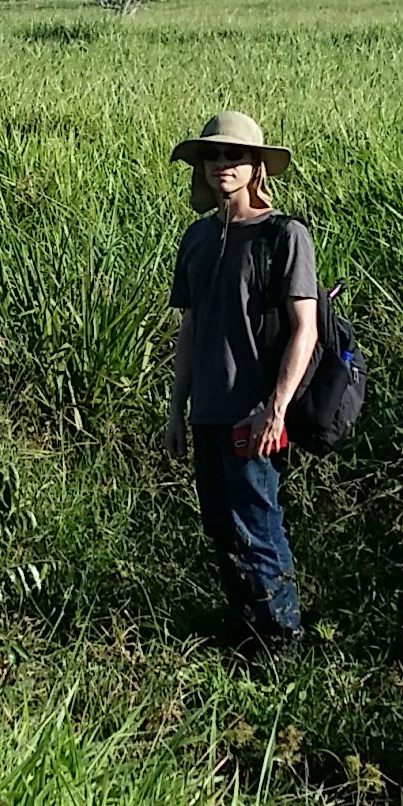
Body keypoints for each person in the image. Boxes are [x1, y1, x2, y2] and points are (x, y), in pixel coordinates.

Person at [163, 110, 319, 655]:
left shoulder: (284, 235)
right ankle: (246, 631)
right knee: (221, 528)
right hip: (206, 409)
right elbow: (189, 328)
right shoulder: (197, 238)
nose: (222, 165)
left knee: (258, 524)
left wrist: (275, 407)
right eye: (212, 156)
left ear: (257, 167)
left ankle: (282, 643)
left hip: (254, 412)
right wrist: (175, 411)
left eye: (234, 156)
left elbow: (305, 328)